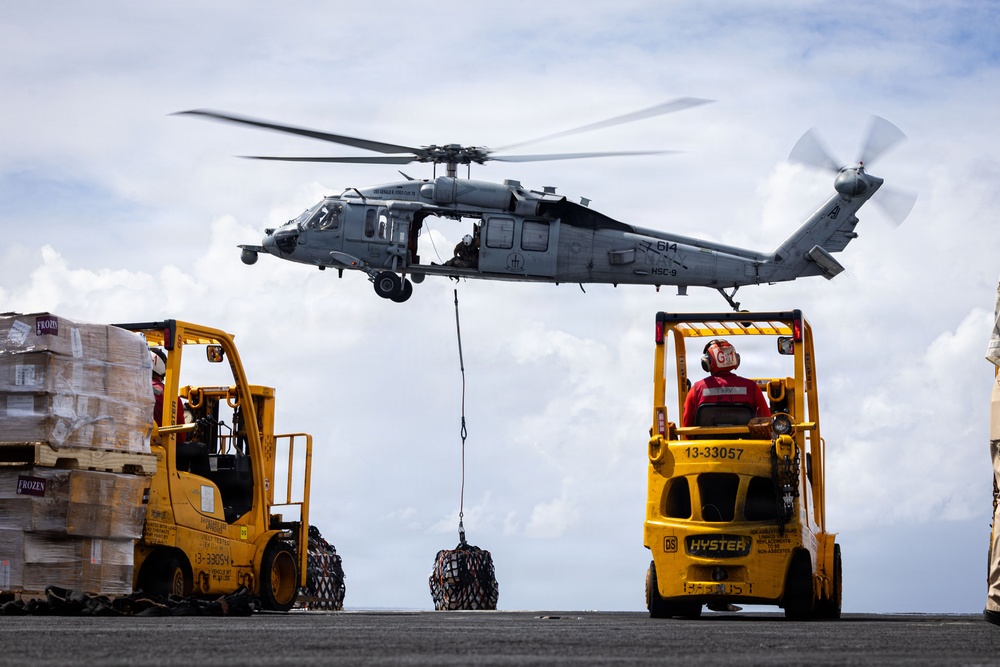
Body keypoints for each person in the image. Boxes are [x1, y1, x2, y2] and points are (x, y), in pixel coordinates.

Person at [682, 339, 770, 427]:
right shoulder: (752, 388)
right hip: (744, 441)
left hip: (706, 441)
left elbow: (687, 426)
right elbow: (767, 422)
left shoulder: (696, 389)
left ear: (706, 362)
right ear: (736, 359)